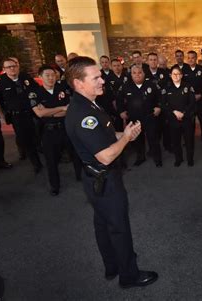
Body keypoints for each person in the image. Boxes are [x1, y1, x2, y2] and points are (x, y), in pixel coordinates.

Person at [64, 56, 158, 288]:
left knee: (103, 224)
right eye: (95, 77)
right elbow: (105, 155)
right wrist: (125, 138)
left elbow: (103, 138)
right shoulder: (84, 115)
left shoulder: (89, 104)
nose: (102, 80)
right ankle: (129, 275)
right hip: (104, 180)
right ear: (78, 83)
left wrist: (123, 134)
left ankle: (112, 266)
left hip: (95, 179)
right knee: (118, 227)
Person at [32, 65, 82, 195]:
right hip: (49, 132)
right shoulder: (35, 93)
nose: (50, 78)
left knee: (76, 154)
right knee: (51, 161)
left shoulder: (63, 89)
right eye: (47, 75)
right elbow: (40, 114)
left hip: (66, 127)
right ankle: (55, 186)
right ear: (40, 77)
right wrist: (61, 108)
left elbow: (70, 109)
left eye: (53, 75)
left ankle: (80, 176)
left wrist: (50, 112)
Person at [0, 58, 43, 174]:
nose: (12, 68)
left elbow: (38, 91)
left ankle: (43, 155)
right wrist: (2, 115)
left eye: (14, 66)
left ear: (18, 66)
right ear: (4, 69)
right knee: (26, 140)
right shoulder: (0, 83)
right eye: (9, 67)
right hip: (18, 117)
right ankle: (36, 163)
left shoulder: (26, 78)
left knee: (39, 136)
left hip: (33, 113)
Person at [116, 65, 162, 167]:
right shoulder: (125, 86)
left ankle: (157, 158)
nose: (137, 75)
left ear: (144, 74)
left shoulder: (152, 84)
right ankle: (140, 157)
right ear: (130, 74)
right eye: (134, 73)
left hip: (150, 117)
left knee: (153, 139)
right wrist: (121, 111)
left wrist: (159, 107)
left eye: (139, 72)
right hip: (134, 118)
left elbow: (160, 97)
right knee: (137, 140)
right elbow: (119, 100)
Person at [161, 66, 196, 166]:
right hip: (173, 120)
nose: (176, 76)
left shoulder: (188, 86)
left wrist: (184, 113)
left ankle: (190, 159)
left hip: (187, 119)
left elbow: (192, 102)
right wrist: (174, 112)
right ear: (170, 75)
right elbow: (163, 104)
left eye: (178, 74)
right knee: (175, 141)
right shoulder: (166, 88)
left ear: (181, 75)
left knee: (189, 141)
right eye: (173, 74)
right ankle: (178, 159)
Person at [184, 50, 202, 146]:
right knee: (190, 123)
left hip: (200, 100)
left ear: (196, 58)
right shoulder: (184, 70)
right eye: (189, 58)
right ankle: (189, 140)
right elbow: (183, 85)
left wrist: (201, 94)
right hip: (189, 101)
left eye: (193, 57)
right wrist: (190, 97)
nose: (191, 59)